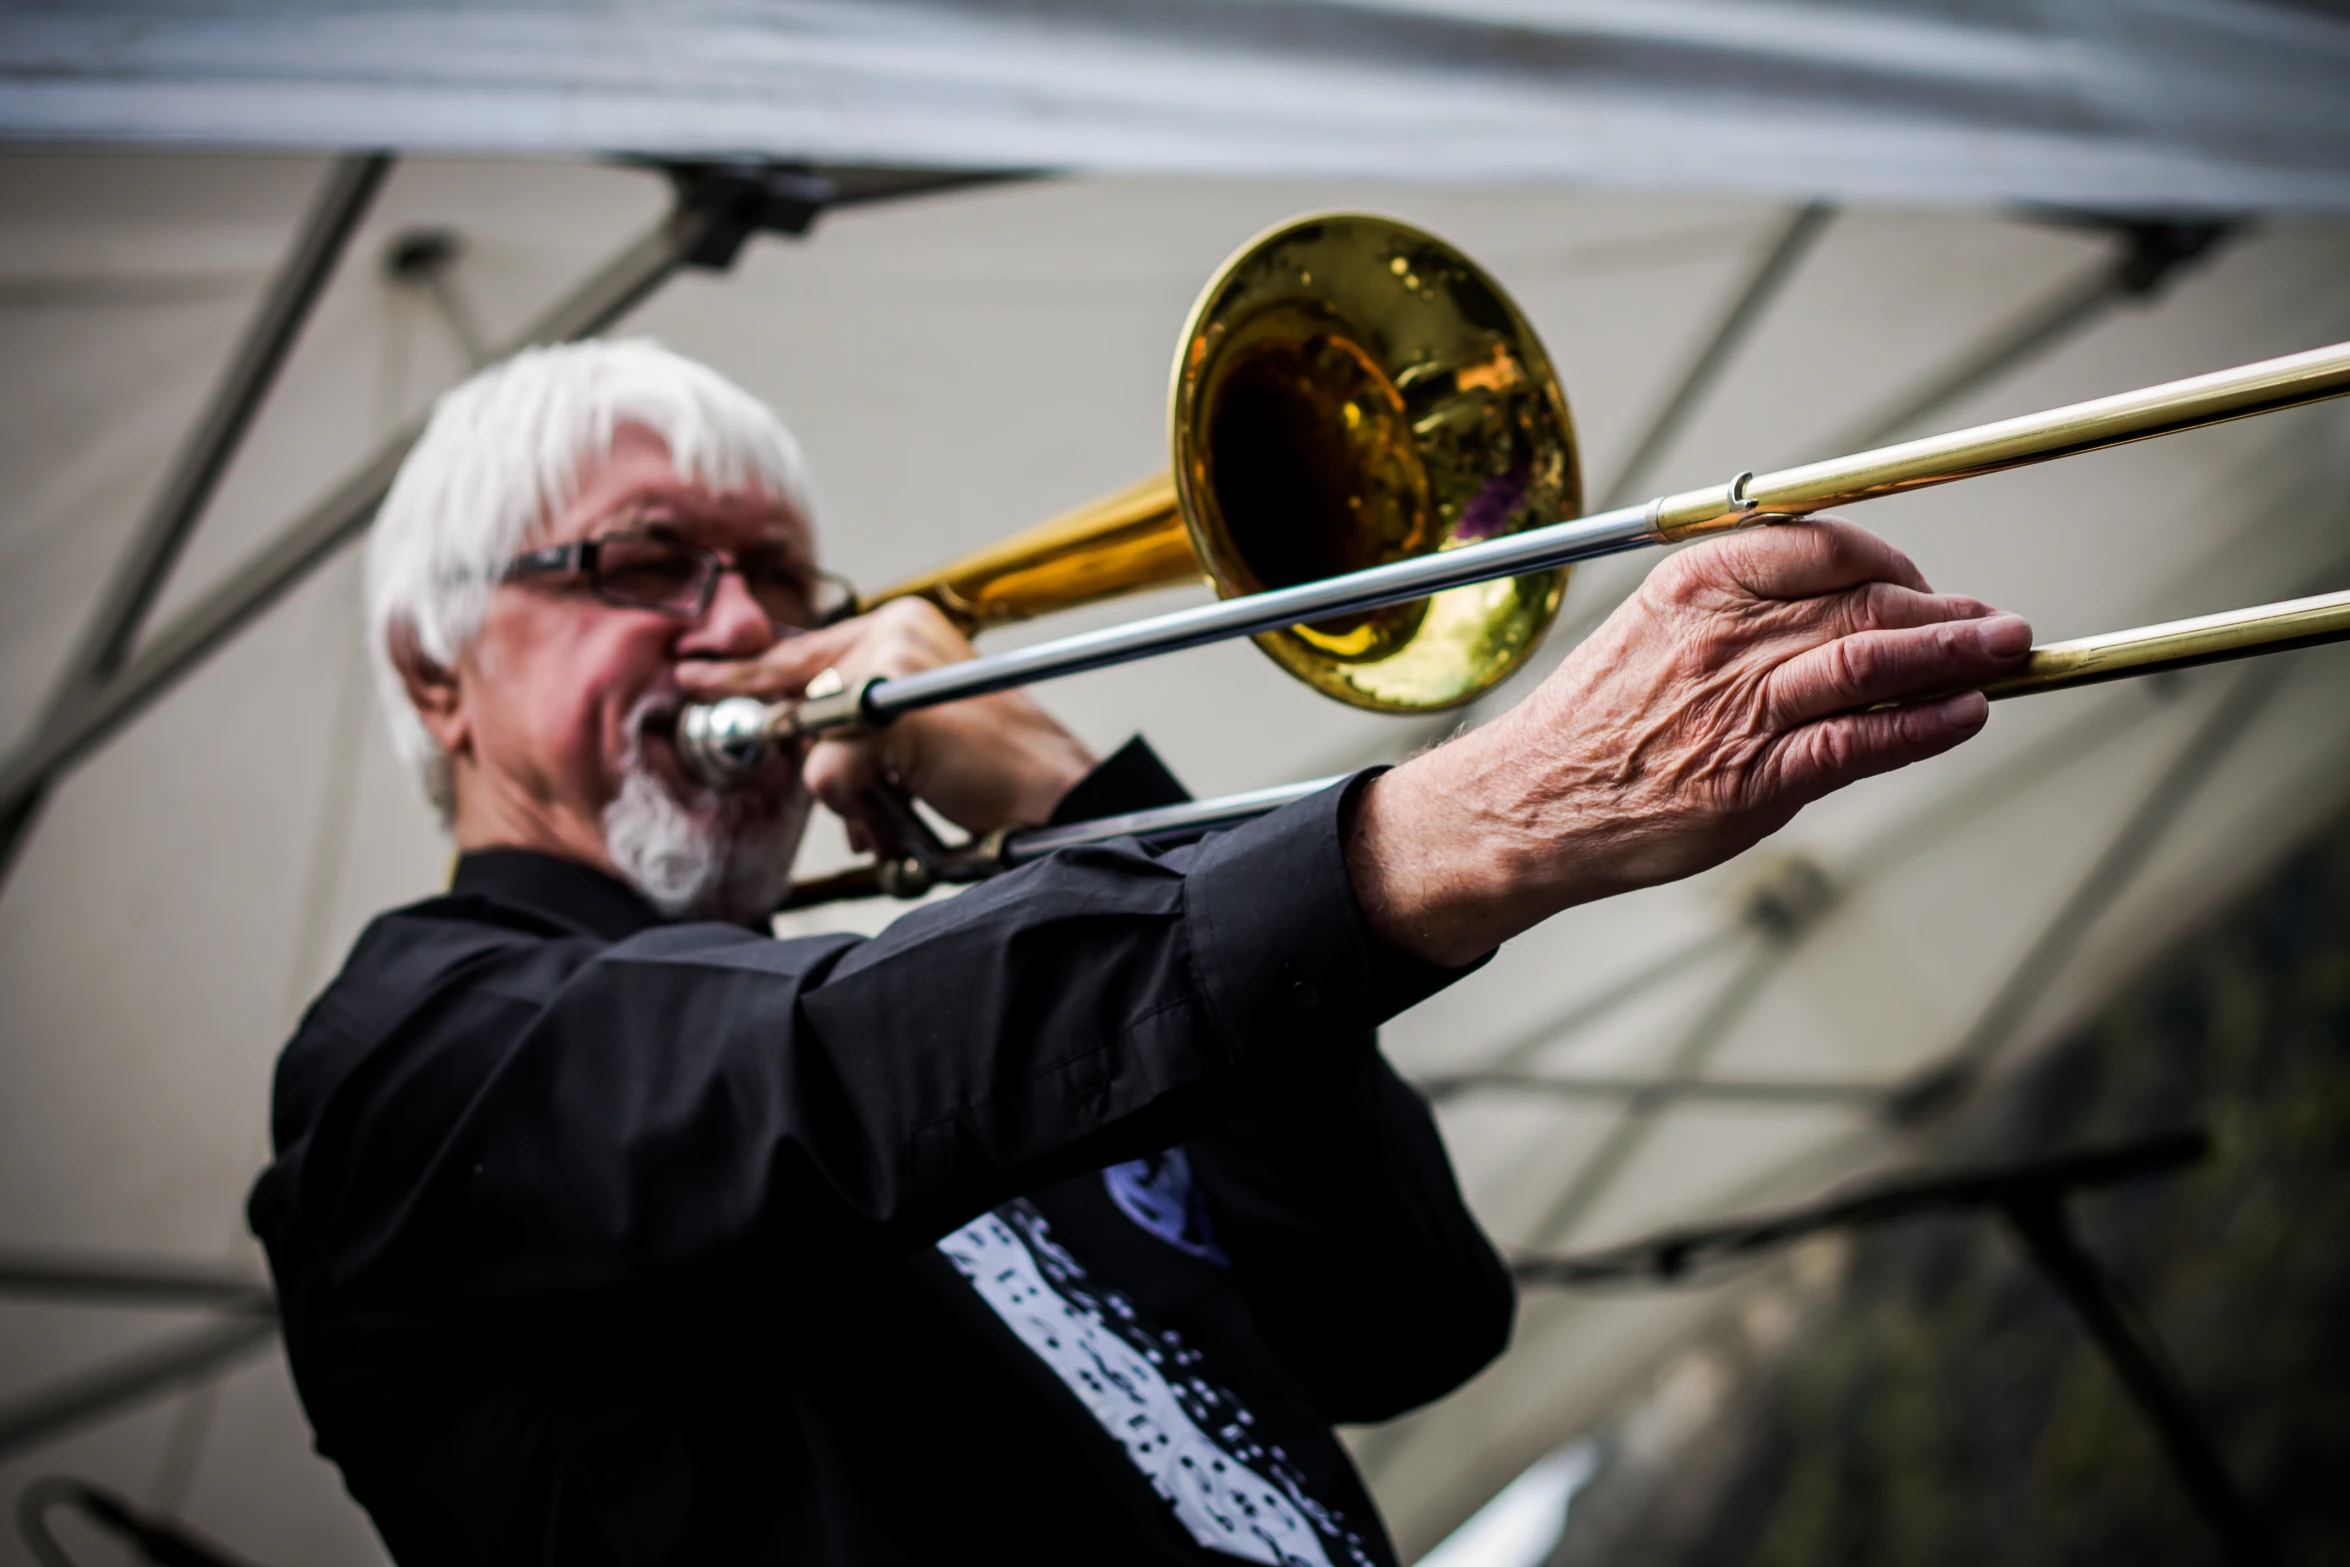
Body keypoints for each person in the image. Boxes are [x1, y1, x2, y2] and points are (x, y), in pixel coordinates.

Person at [247, 339, 2031, 1567]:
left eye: (783, 581)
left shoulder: (979, 1006)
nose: (746, 634)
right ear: (433, 670)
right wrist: (1474, 816)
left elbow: (1397, 1308)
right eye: (650, 565)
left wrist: (1084, 790)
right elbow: (815, 1072)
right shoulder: (409, 1057)